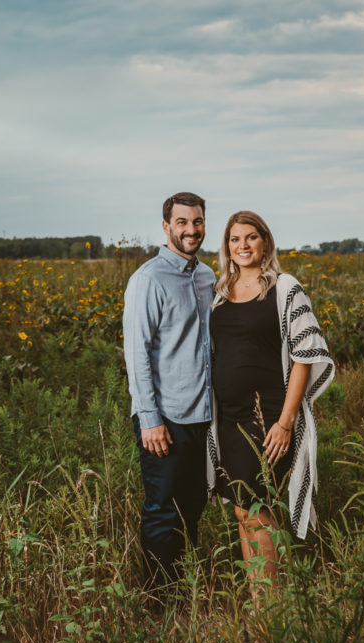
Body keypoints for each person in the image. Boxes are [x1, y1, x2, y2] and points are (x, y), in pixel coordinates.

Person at [206, 210, 334, 596]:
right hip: (227, 418)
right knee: (242, 510)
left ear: (266, 242)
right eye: (234, 239)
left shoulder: (284, 288)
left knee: (258, 510)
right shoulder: (219, 292)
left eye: (250, 238)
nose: (242, 246)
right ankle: (263, 602)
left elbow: (304, 354)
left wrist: (285, 420)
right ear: (226, 247)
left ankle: (271, 604)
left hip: (267, 417)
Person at [123, 191, 215, 591]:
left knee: (192, 508)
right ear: (166, 227)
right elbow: (136, 353)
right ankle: (160, 600)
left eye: (197, 222)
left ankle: (186, 589)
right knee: (163, 512)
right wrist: (149, 419)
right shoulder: (148, 280)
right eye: (182, 222)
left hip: (204, 415)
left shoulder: (208, 276)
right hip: (166, 419)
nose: (191, 230)